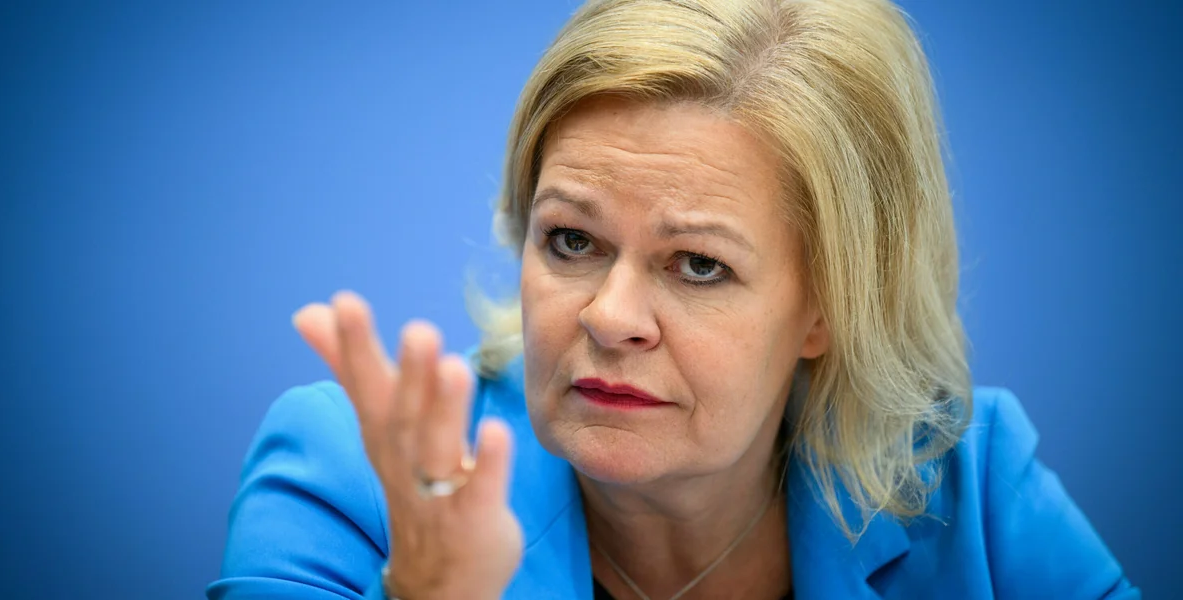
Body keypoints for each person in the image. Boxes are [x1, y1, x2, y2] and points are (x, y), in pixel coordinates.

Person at [207, 0, 1138, 598]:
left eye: (697, 264)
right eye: (572, 241)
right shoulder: (350, 475)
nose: (610, 317)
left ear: (829, 306)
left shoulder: (968, 485)